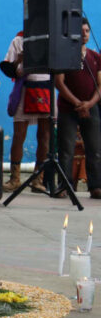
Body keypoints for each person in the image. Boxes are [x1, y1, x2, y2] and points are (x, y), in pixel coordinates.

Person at [0, 32, 51, 192]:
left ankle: (38, 179)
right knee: (19, 134)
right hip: (24, 88)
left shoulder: (52, 39)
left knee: (44, 135)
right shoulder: (18, 40)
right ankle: (15, 179)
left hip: (46, 88)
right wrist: (19, 60)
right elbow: (9, 68)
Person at [55, 19, 101, 198]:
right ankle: (64, 185)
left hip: (92, 108)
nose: (85, 35)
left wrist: (89, 104)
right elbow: (60, 83)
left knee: (95, 148)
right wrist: (76, 103)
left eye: (87, 31)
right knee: (66, 148)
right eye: (81, 31)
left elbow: (99, 84)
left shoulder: (96, 57)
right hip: (68, 108)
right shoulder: (64, 55)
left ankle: (96, 186)